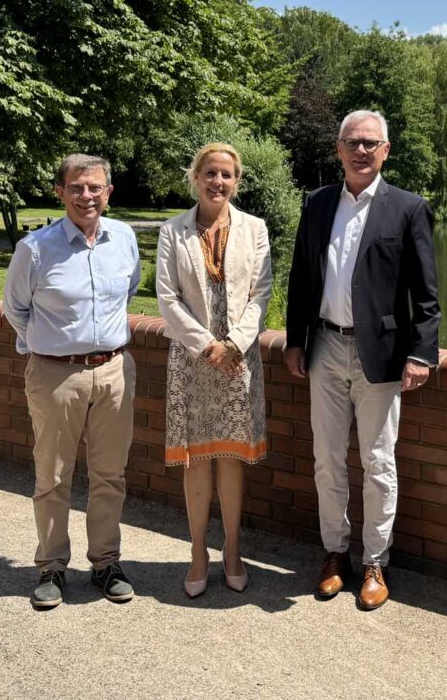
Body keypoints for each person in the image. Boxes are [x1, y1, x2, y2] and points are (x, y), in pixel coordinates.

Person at [285, 110, 441, 610]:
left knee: (377, 462)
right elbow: (301, 278)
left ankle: (376, 560)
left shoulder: (409, 208)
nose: (361, 151)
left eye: (371, 143)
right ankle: (335, 553)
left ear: (386, 151)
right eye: (352, 142)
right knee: (327, 458)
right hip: (325, 346)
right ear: (338, 149)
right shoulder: (317, 204)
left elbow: (428, 294)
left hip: (383, 354)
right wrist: (294, 340)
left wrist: (422, 353)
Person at [3, 153, 141, 609]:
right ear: (60, 192)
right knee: (54, 475)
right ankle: (51, 567)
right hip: (56, 375)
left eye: (95, 187)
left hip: (115, 370)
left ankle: (105, 562)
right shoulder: (36, 249)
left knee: (110, 474)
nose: (87, 196)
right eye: (77, 188)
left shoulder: (123, 238)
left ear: (108, 192)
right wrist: (48, 346)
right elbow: (15, 310)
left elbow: (130, 289)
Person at [156, 142, 272, 598]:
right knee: (197, 458)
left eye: (226, 175)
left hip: (238, 362)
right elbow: (167, 298)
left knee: (231, 457)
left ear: (237, 181)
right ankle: (199, 552)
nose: (218, 182)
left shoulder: (256, 229)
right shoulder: (172, 232)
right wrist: (207, 346)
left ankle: (233, 550)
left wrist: (234, 344)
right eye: (210, 174)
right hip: (192, 360)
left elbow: (260, 294)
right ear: (195, 178)